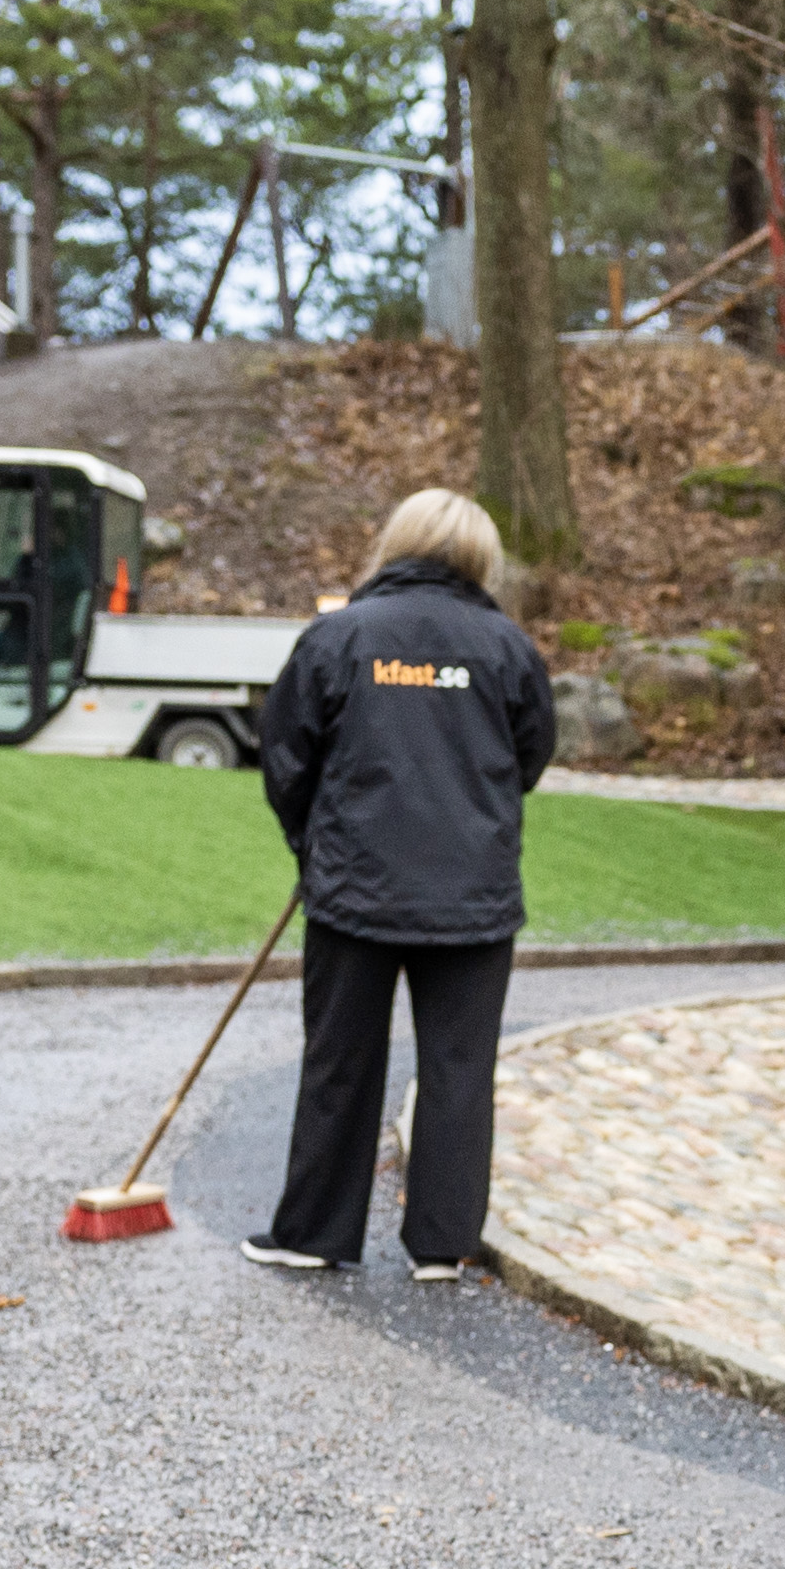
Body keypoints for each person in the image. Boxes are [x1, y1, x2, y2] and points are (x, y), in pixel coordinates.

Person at [245, 487, 554, 1277]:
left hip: (357, 887)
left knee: (340, 1060)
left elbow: (285, 757)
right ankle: (442, 1243)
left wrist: (310, 841)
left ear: (396, 542)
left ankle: (316, 1232)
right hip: (472, 895)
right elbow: (528, 758)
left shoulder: (339, 637)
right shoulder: (504, 647)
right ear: (481, 557)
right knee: (458, 1068)